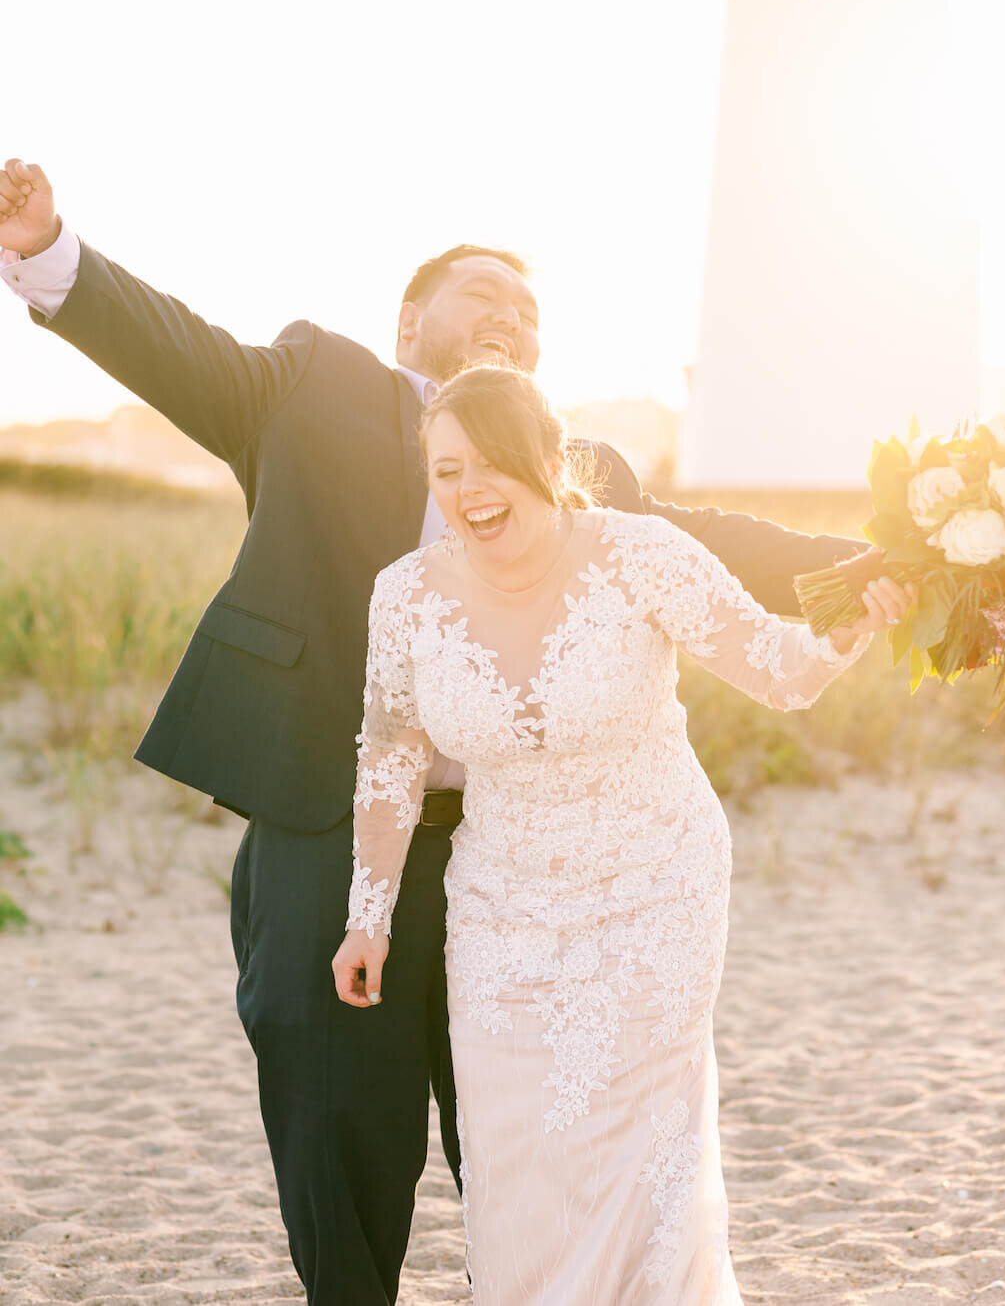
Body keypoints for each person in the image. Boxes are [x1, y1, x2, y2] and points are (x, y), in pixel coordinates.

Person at [0, 156, 875, 1306]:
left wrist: (881, 562)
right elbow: (182, 353)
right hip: (332, 811)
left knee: (529, 1122)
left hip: (524, 848)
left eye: (532, 315)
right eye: (485, 296)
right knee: (333, 1109)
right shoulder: (315, 382)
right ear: (414, 320)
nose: (511, 319)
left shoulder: (585, 468)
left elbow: (705, 548)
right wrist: (47, 245)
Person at [333, 366, 912, 1304]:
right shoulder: (404, 595)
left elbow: (778, 667)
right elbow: (391, 752)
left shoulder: (643, 554)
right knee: (517, 1158)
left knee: (639, 1157)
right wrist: (371, 918)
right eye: (447, 472)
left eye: (494, 463)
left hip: (655, 890)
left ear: (554, 462)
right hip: (500, 911)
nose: (471, 490)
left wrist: (852, 628)